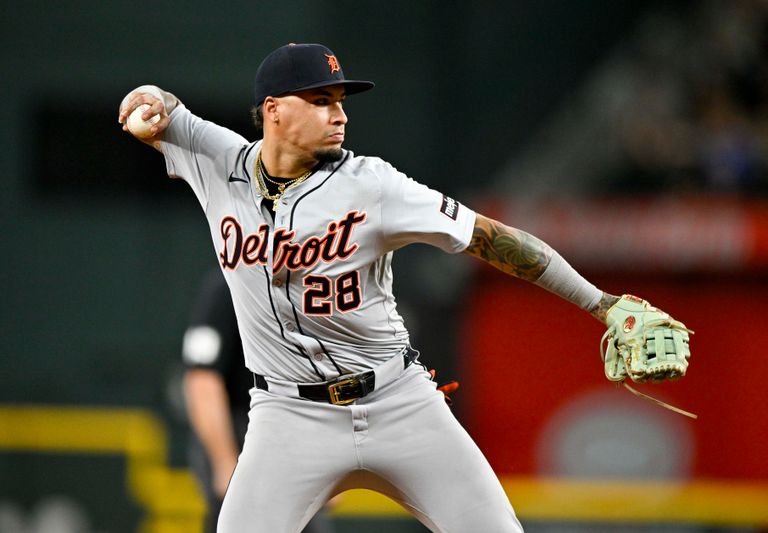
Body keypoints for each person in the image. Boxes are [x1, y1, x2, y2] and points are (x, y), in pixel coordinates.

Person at [117, 42, 623, 532]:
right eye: (320, 101)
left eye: (340, 102)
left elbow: (490, 238)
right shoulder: (217, 160)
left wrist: (602, 304)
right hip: (287, 416)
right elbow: (158, 104)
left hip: (397, 401)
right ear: (272, 109)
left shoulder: (372, 184)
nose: (339, 115)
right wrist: (147, 101)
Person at [181, 268, 334, 533]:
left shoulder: (312, 285)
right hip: (242, 428)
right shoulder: (227, 286)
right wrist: (225, 461)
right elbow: (202, 380)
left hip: (294, 430)